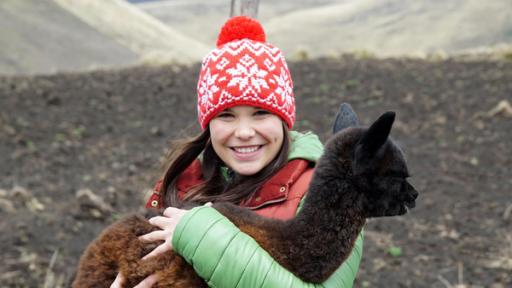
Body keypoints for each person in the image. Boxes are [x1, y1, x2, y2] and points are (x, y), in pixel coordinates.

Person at [111, 16, 363, 288]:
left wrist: (199, 233)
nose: (243, 132)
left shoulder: (330, 191)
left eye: (260, 113)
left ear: (284, 118)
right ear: (209, 124)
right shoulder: (183, 183)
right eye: (227, 116)